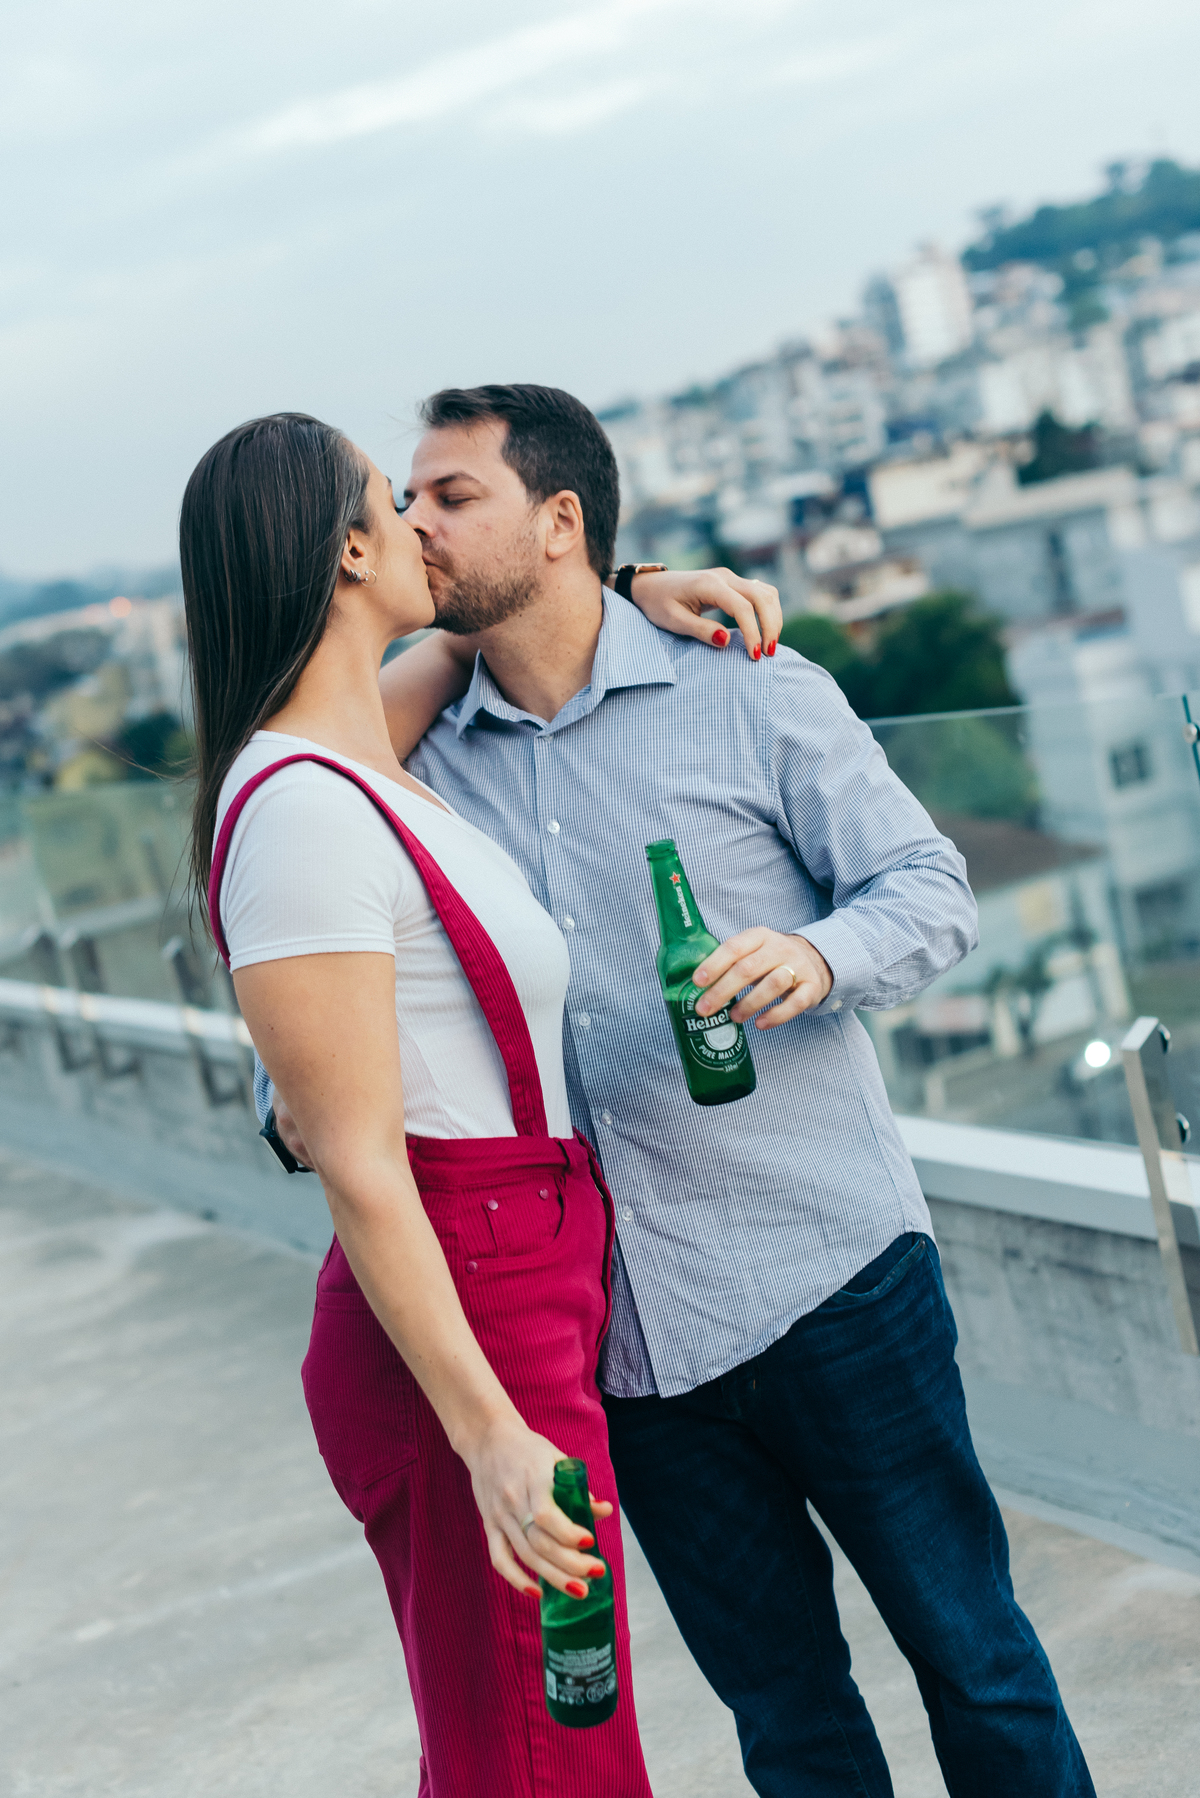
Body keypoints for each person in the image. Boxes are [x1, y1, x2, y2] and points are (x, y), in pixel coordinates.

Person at [268, 384, 1097, 1797]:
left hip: (830, 1276)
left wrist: (817, 954)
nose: (417, 522)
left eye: (452, 494)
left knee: (979, 1660)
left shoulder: (752, 686)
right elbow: (289, 845)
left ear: (560, 518)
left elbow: (929, 886)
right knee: (787, 1719)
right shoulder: (417, 763)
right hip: (628, 1348)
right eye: (406, 500)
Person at [183, 411, 773, 1796]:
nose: (424, 525)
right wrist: (488, 1432)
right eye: (397, 502)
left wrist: (623, 591)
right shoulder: (303, 810)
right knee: (533, 1745)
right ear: (345, 552)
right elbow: (357, 1158)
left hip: (519, 1287)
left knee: (560, 1722)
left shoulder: (356, 758)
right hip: (464, 1311)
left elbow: (458, 647)